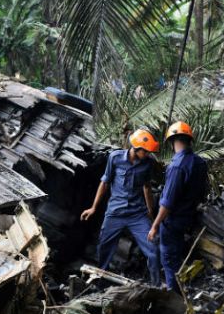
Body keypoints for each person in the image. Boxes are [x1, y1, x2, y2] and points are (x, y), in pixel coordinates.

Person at [81, 129, 162, 286]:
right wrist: (93, 208)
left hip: (137, 214)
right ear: (135, 148)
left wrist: (151, 213)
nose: (147, 155)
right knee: (104, 248)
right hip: (115, 212)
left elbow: (147, 188)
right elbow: (104, 182)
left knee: (153, 250)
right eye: (145, 152)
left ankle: (156, 286)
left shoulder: (148, 164)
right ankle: (99, 284)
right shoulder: (115, 158)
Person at [147, 122, 209, 291]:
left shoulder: (176, 166)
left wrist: (155, 225)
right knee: (176, 254)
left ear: (172, 141)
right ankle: (178, 286)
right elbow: (202, 193)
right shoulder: (200, 162)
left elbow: (167, 203)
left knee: (169, 259)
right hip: (187, 218)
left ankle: (173, 296)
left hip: (173, 220)